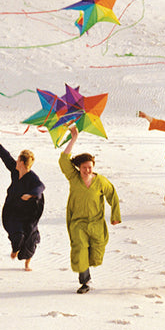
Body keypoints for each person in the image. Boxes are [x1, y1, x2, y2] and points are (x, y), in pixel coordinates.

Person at [59, 123, 122, 293]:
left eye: (90, 167)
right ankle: (84, 282)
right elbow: (64, 160)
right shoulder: (73, 177)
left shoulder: (100, 181)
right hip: (78, 222)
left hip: (96, 223)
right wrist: (74, 139)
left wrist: (115, 215)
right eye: (84, 167)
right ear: (79, 167)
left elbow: (112, 195)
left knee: (96, 255)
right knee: (80, 250)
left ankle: (88, 269)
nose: (87, 170)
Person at [0, 132, 45, 269]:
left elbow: (41, 187)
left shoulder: (32, 177)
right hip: (13, 209)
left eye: (18, 160)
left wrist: (31, 195)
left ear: (22, 163)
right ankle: (15, 249)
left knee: (30, 237)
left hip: (28, 212)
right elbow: (6, 157)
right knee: (17, 234)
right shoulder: (15, 171)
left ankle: (27, 262)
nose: (16, 162)